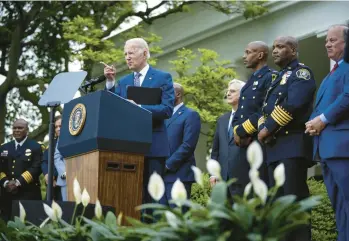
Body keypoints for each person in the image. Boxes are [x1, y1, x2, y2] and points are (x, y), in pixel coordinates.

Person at [103, 38, 174, 221]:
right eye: (125, 54)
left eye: (131, 53)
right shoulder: (124, 81)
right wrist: (110, 83)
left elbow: (167, 109)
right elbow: (113, 106)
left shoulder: (162, 77)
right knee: (134, 198)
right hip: (129, 148)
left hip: (154, 146)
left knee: (155, 198)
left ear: (144, 53)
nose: (127, 57)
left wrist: (139, 108)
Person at [258, 36, 316, 241]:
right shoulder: (277, 77)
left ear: (293, 50)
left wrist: (268, 129)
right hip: (274, 148)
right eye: (273, 47)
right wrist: (262, 128)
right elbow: (265, 109)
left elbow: (294, 103)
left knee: (294, 203)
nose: (275, 51)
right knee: (279, 207)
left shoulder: (301, 73)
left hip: (292, 145)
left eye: (281, 47)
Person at [305, 25, 349, 241]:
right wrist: (312, 123)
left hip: (343, 148)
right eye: (326, 41)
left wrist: (322, 120)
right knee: (339, 207)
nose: (327, 44)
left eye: (333, 40)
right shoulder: (329, 75)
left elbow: (347, 98)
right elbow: (321, 108)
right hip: (327, 149)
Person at [232, 41, 276, 187]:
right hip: (244, 144)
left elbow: (265, 110)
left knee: (261, 187)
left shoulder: (270, 77)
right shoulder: (250, 81)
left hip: (259, 140)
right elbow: (240, 111)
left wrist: (243, 131)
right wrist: (237, 131)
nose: (244, 56)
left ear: (260, 55)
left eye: (248, 52)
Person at [160, 83, 201, 210]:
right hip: (160, 177)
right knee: (160, 220)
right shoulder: (162, 116)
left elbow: (188, 145)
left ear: (177, 94)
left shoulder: (190, 115)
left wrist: (167, 165)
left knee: (178, 219)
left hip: (179, 176)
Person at [0, 119, 42, 221]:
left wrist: (18, 182)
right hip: (7, 194)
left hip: (28, 193)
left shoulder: (35, 147)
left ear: (27, 130)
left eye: (20, 128)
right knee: (7, 224)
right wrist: (6, 182)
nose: (17, 130)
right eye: (14, 128)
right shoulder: (4, 147)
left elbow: (36, 167)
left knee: (28, 224)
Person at [210, 79, 245, 196]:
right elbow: (215, 150)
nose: (228, 94)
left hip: (242, 178)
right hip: (222, 179)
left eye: (233, 91)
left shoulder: (249, 118)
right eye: (228, 91)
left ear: (243, 94)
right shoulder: (222, 120)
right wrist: (213, 173)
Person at [41, 115, 62, 200]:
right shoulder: (51, 144)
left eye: (60, 126)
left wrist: (54, 173)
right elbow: (44, 161)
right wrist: (47, 174)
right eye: (56, 127)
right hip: (53, 186)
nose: (58, 129)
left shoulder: (74, 141)